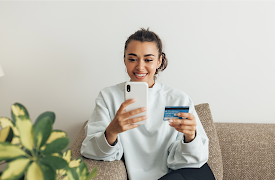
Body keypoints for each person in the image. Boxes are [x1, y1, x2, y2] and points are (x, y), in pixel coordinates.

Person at [81, 28, 215, 180]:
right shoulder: (109, 97)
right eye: (132, 59)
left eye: (148, 59)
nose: (140, 66)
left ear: (159, 61)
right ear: (124, 60)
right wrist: (111, 131)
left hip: (182, 174)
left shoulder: (177, 99)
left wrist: (190, 137)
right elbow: (88, 150)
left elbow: (195, 160)